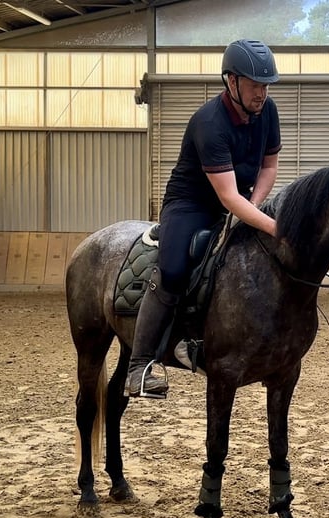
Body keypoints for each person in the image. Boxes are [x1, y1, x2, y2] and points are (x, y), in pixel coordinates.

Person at [124, 39, 282, 399]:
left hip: (238, 199)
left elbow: (270, 167)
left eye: (266, 84)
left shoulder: (267, 111)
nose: (262, 92)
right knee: (175, 269)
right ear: (231, 81)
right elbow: (225, 196)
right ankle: (140, 365)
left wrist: (254, 208)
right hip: (191, 203)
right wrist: (271, 225)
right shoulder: (209, 122)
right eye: (255, 84)